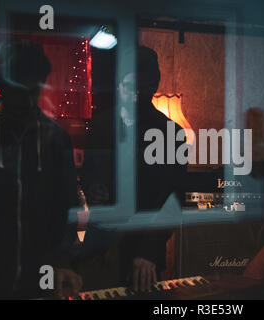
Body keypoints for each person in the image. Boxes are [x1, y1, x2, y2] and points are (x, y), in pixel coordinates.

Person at [0, 39, 82, 299]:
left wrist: (64, 261)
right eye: (19, 90)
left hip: (38, 282)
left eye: (33, 91)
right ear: (3, 86)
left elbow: (67, 206)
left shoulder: (55, 138)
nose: (26, 99)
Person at [80, 46, 186, 292]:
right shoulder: (101, 124)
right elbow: (88, 175)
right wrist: (94, 190)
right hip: (100, 248)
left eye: (139, 86)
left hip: (141, 254)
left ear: (151, 87)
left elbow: (174, 198)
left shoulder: (170, 132)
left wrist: (148, 251)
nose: (132, 93)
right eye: (126, 85)